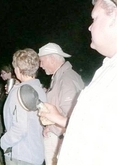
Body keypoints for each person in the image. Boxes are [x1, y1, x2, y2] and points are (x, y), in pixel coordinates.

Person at [38, 0, 117, 164]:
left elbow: (70, 116)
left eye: (94, 19)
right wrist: (53, 122)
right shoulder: (108, 68)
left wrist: (54, 124)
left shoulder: (67, 78)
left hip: (58, 137)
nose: (89, 27)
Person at [38, 42, 85, 165]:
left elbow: (70, 116)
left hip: (60, 139)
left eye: (42, 61)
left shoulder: (67, 78)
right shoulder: (60, 77)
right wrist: (50, 126)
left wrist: (53, 128)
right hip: (56, 134)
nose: (40, 65)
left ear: (52, 59)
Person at [0, 48, 46, 165]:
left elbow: (20, 128)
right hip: (36, 150)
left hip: (20, 153)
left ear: (16, 69)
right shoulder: (39, 89)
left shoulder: (19, 91)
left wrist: (4, 142)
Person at [0, 64, 18, 165]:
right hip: (0, 115)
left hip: (8, 117)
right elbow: (5, 102)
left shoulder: (15, 84)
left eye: (3, 73)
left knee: (4, 140)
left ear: (10, 72)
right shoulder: (5, 85)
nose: (1, 75)